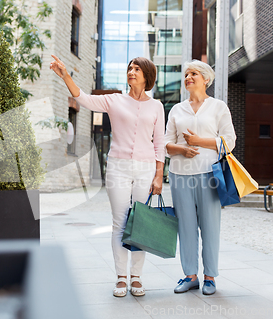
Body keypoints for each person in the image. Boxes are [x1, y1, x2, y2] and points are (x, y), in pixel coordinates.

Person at [50, 55, 165, 297]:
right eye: (129, 68)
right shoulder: (114, 100)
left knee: (141, 223)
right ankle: (121, 278)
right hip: (118, 167)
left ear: (147, 76)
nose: (131, 71)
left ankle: (137, 277)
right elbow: (83, 98)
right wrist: (65, 75)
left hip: (145, 169)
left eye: (137, 69)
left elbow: (159, 145)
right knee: (119, 222)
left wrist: (158, 176)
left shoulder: (156, 106)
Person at [164, 60, 236, 295]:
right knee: (185, 227)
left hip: (209, 174)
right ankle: (190, 276)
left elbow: (229, 141)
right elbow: (165, 144)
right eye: (186, 74)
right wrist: (183, 149)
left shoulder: (218, 107)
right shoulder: (177, 110)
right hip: (179, 175)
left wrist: (198, 142)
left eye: (194, 73)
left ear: (206, 79)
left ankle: (210, 277)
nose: (188, 77)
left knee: (210, 227)